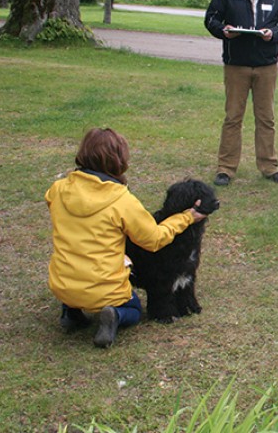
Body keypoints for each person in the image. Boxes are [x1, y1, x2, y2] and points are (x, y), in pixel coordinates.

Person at [46, 128, 206, 348]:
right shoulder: (122, 201)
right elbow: (154, 239)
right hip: (104, 290)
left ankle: (70, 311)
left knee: (74, 283)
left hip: (60, 284)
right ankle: (115, 315)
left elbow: (53, 206)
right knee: (134, 308)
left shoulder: (57, 190)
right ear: (119, 160)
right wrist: (186, 217)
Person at [205, 0, 278, 187]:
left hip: (267, 65)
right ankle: (226, 168)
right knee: (233, 117)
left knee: (266, 118)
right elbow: (211, 19)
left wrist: (273, 34)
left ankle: (269, 166)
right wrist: (224, 31)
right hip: (236, 64)